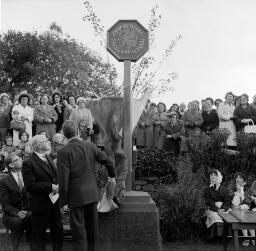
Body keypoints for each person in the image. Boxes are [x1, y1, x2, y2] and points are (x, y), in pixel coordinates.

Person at [57, 120, 116, 251]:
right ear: (78, 131)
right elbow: (109, 162)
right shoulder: (90, 146)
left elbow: (63, 180)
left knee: (78, 231)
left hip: (75, 195)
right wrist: (112, 177)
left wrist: (63, 201)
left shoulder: (63, 152)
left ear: (64, 135)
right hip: (91, 193)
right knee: (92, 229)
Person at [22, 135, 63, 251]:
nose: (49, 142)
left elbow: (54, 176)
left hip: (54, 202)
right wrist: (50, 187)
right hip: (40, 205)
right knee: (39, 236)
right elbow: (30, 186)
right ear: (39, 145)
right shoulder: (28, 163)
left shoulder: (48, 157)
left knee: (58, 232)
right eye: (46, 141)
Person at [0, 153, 32, 251]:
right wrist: (17, 212)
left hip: (28, 212)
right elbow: (5, 205)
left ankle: (33, 247)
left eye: (20, 158)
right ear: (11, 165)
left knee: (34, 219)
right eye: (17, 159)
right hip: (11, 215)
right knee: (18, 222)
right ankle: (15, 248)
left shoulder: (28, 177)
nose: (20, 160)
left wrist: (28, 211)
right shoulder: (4, 181)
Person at [228, 172, 253, 247]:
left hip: (244, 209)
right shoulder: (231, 188)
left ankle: (252, 237)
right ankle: (247, 238)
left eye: (240, 178)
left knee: (246, 213)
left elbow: (248, 203)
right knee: (243, 214)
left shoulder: (247, 190)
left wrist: (241, 191)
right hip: (234, 210)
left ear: (244, 182)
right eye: (237, 177)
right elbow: (233, 203)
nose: (237, 179)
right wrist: (238, 191)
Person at [204, 169, 230, 239]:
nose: (212, 177)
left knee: (227, 217)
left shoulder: (225, 189)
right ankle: (215, 237)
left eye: (214, 175)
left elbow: (227, 201)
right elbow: (208, 201)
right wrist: (217, 209)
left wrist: (223, 208)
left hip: (223, 208)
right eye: (211, 175)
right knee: (215, 216)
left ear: (218, 177)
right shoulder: (207, 189)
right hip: (213, 208)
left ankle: (225, 237)